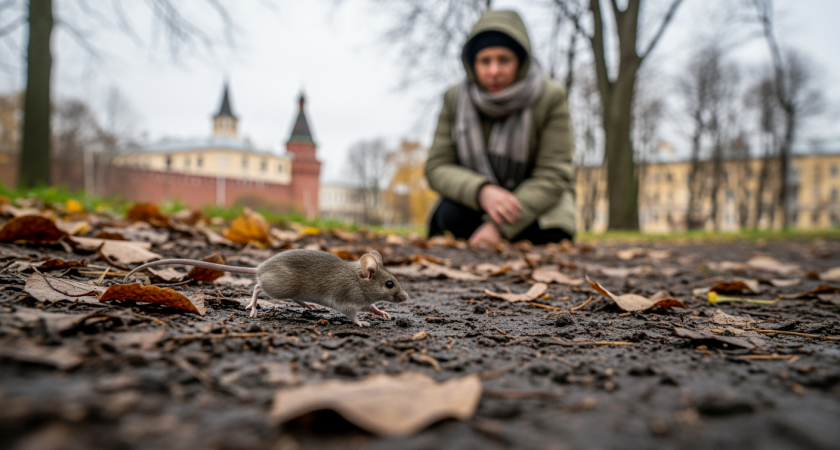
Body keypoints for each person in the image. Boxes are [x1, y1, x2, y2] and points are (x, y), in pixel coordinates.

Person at [424, 10, 576, 246]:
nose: (493, 70)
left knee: (550, 233)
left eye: (503, 60)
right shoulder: (455, 98)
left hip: (533, 205)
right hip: (476, 203)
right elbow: (437, 166)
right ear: (472, 64)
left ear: (520, 62)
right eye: (485, 61)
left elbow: (554, 174)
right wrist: (482, 191)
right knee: (451, 214)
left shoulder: (550, 96)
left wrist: (498, 226)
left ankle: (498, 233)